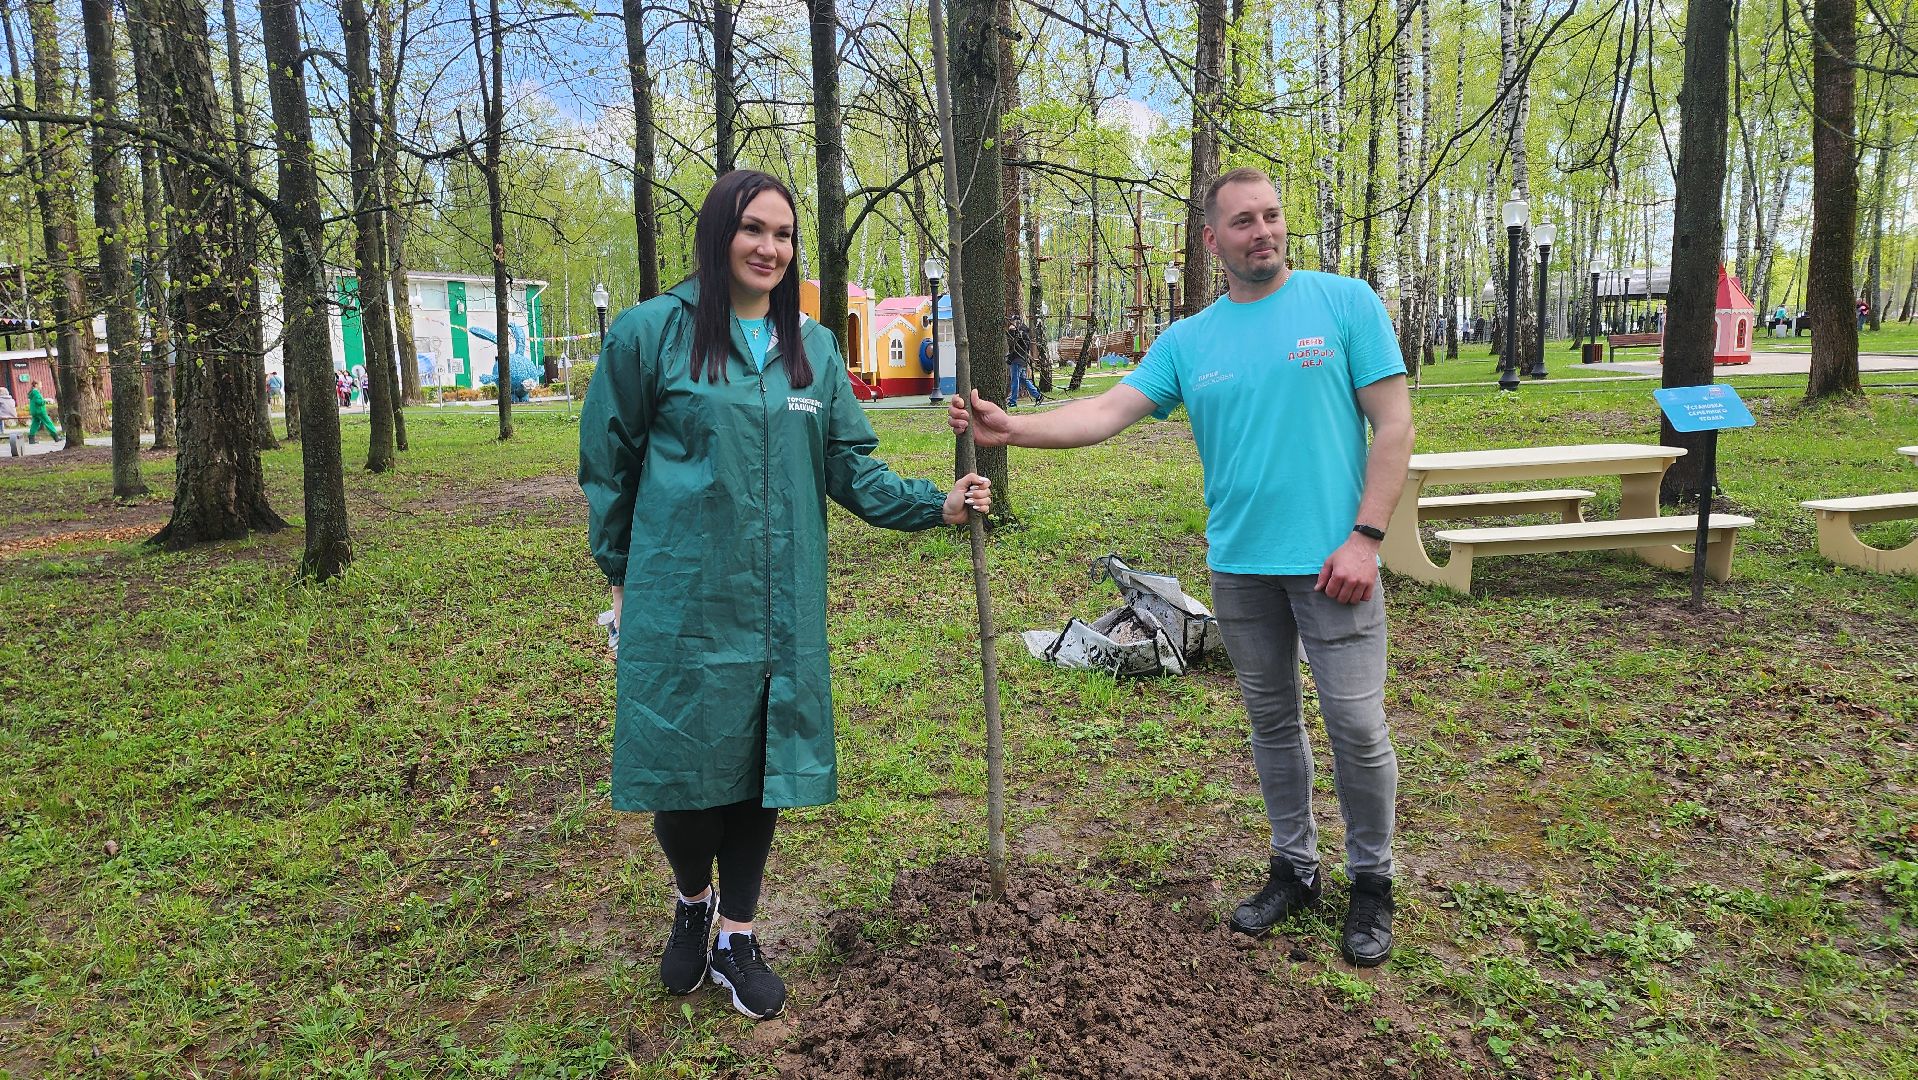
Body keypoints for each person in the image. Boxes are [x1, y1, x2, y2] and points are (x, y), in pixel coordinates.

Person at [949, 166, 1414, 968]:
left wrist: (1366, 538)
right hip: (1239, 569)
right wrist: (1013, 429)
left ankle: (1371, 881)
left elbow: (1396, 424)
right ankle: (1293, 869)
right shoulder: (1190, 341)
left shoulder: (1345, 305)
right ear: (1212, 239)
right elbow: (1105, 412)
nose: (1262, 231)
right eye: (1243, 221)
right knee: (1273, 725)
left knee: (1357, 727)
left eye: (1271, 215)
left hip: (1336, 564)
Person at [579, 169, 991, 1021]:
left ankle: (737, 932)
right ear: (719, 233)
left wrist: (937, 504)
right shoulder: (652, 333)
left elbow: (846, 465)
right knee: (685, 772)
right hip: (684, 598)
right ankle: (691, 900)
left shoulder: (812, 346)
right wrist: (622, 577)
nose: (770, 248)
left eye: (784, 235)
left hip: (778, 600)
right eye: (753, 229)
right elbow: (608, 460)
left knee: (760, 768)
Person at [1006, 314, 1043, 407]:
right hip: (1021, 359)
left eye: (1014, 321)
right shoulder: (1020, 331)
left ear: (1018, 321)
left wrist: (1013, 332)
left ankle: (1013, 401)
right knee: (1023, 380)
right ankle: (1038, 395)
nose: (1012, 323)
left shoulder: (1022, 332)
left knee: (1015, 379)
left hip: (1018, 359)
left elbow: (1019, 346)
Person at [25, 379, 60, 444]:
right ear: (36, 385)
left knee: (35, 424)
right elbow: (39, 402)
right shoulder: (36, 393)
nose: (42, 386)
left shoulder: (32, 393)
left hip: (34, 411)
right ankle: (56, 437)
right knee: (48, 423)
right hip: (40, 411)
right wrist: (46, 401)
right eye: (40, 384)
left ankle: (31, 439)